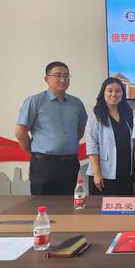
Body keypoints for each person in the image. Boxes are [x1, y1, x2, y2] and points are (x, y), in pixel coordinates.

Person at [15, 61, 87, 195]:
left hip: (70, 164)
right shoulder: (34, 101)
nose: (63, 79)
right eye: (58, 75)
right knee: (42, 203)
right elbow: (20, 132)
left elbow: (80, 130)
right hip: (44, 165)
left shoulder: (77, 103)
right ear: (46, 79)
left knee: (67, 204)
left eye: (66, 75)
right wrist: (33, 152)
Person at [85, 77, 134, 195]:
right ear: (103, 93)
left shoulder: (128, 113)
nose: (114, 94)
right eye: (110, 90)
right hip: (104, 174)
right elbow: (91, 145)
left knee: (125, 205)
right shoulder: (96, 114)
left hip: (126, 171)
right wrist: (97, 173)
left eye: (118, 91)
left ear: (122, 93)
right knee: (102, 206)